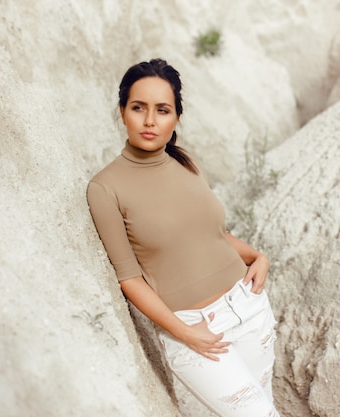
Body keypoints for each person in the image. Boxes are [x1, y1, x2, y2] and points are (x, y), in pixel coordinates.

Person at [87, 58, 280, 417]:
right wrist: (184, 333)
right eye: (138, 108)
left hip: (248, 305)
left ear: (176, 117)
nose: (149, 120)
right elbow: (129, 278)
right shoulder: (104, 188)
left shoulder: (186, 161)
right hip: (194, 330)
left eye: (162, 110)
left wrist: (258, 257)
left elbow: (213, 235)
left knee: (266, 403)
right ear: (121, 112)